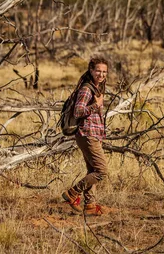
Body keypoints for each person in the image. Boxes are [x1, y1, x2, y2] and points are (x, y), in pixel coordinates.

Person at [62, 56, 109, 216]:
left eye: (104, 72)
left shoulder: (96, 89)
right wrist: (96, 105)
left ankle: (90, 206)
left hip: (92, 134)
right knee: (101, 171)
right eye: (98, 71)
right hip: (87, 134)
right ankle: (73, 193)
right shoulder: (86, 89)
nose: (101, 75)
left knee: (92, 170)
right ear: (91, 70)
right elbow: (78, 111)